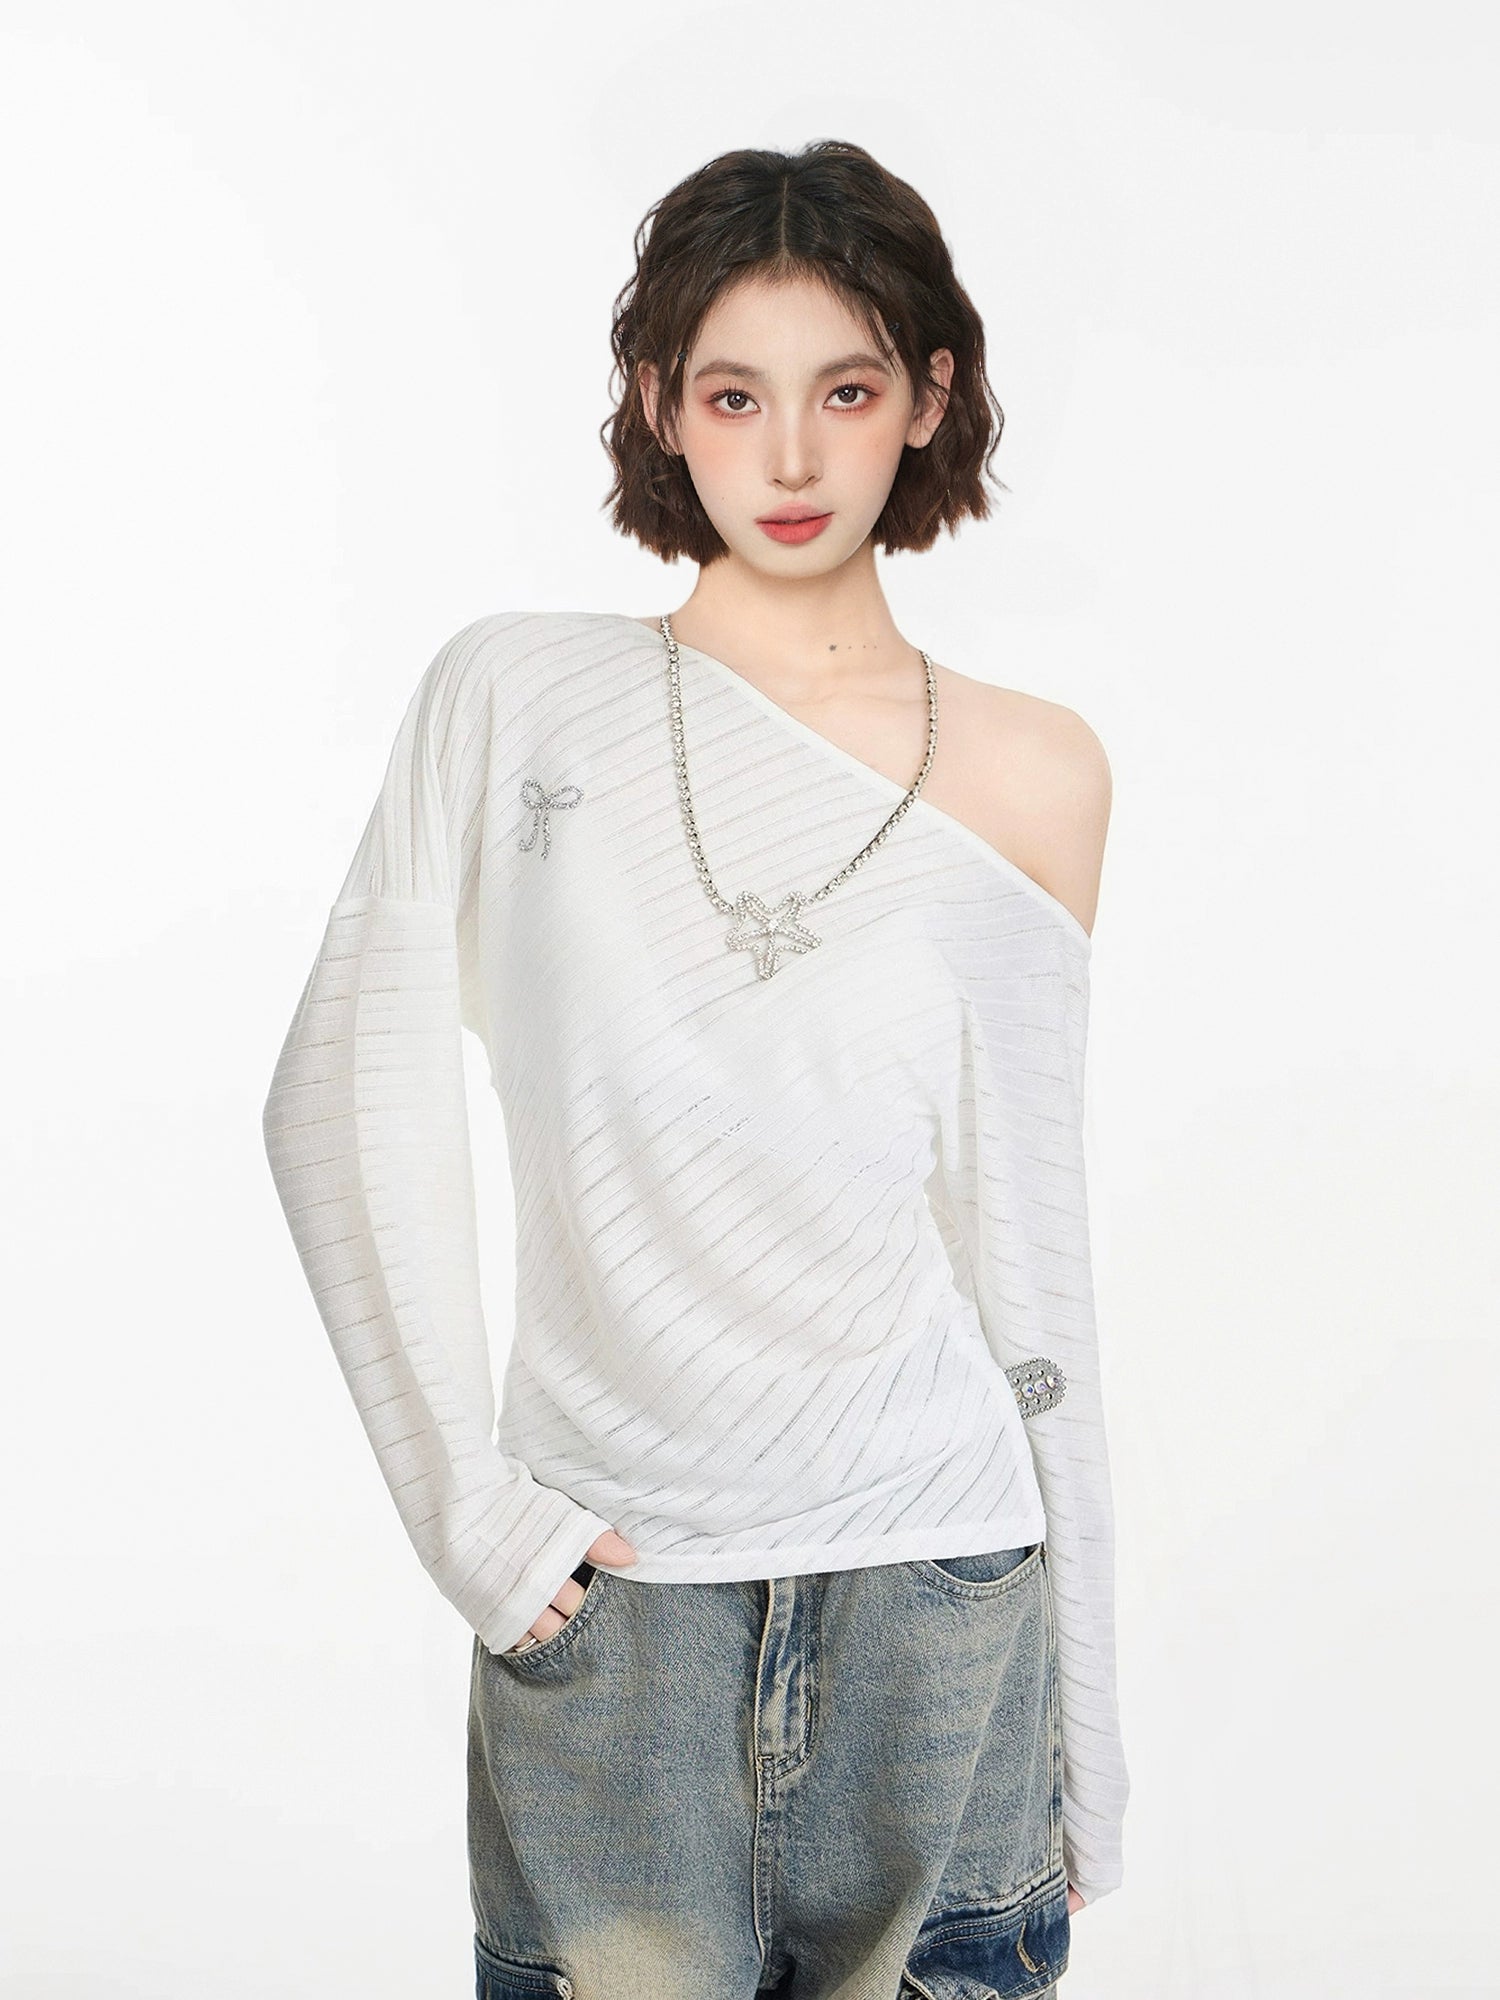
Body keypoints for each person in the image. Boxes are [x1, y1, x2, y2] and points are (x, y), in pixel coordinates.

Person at [262, 139, 1128, 2000]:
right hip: (613, 1605)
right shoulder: (512, 697)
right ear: (662, 403)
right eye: (735, 397)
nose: (791, 459)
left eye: (847, 393)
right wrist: (467, 1516)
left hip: (945, 1593)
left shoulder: (1037, 770)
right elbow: (338, 1095)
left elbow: (1031, 1253)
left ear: (930, 398)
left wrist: (1095, 1739)